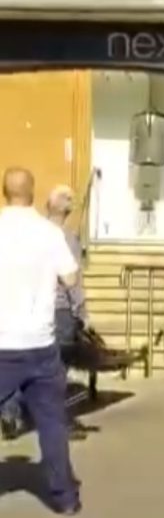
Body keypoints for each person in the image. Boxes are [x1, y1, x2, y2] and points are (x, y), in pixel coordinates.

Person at [0, 168, 81, 514]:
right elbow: (70, 277)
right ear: (33, 193)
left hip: (3, 343)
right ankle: (65, 498)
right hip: (40, 344)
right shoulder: (50, 233)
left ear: (4, 193)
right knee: (51, 423)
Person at [1, 184, 89, 442]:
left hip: (14, 311)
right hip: (56, 312)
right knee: (53, 372)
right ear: (67, 209)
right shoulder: (62, 237)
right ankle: (54, 422)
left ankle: (11, 412)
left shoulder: (24, 232)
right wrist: (81, 311)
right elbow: (73, 280)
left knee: (14, 365)